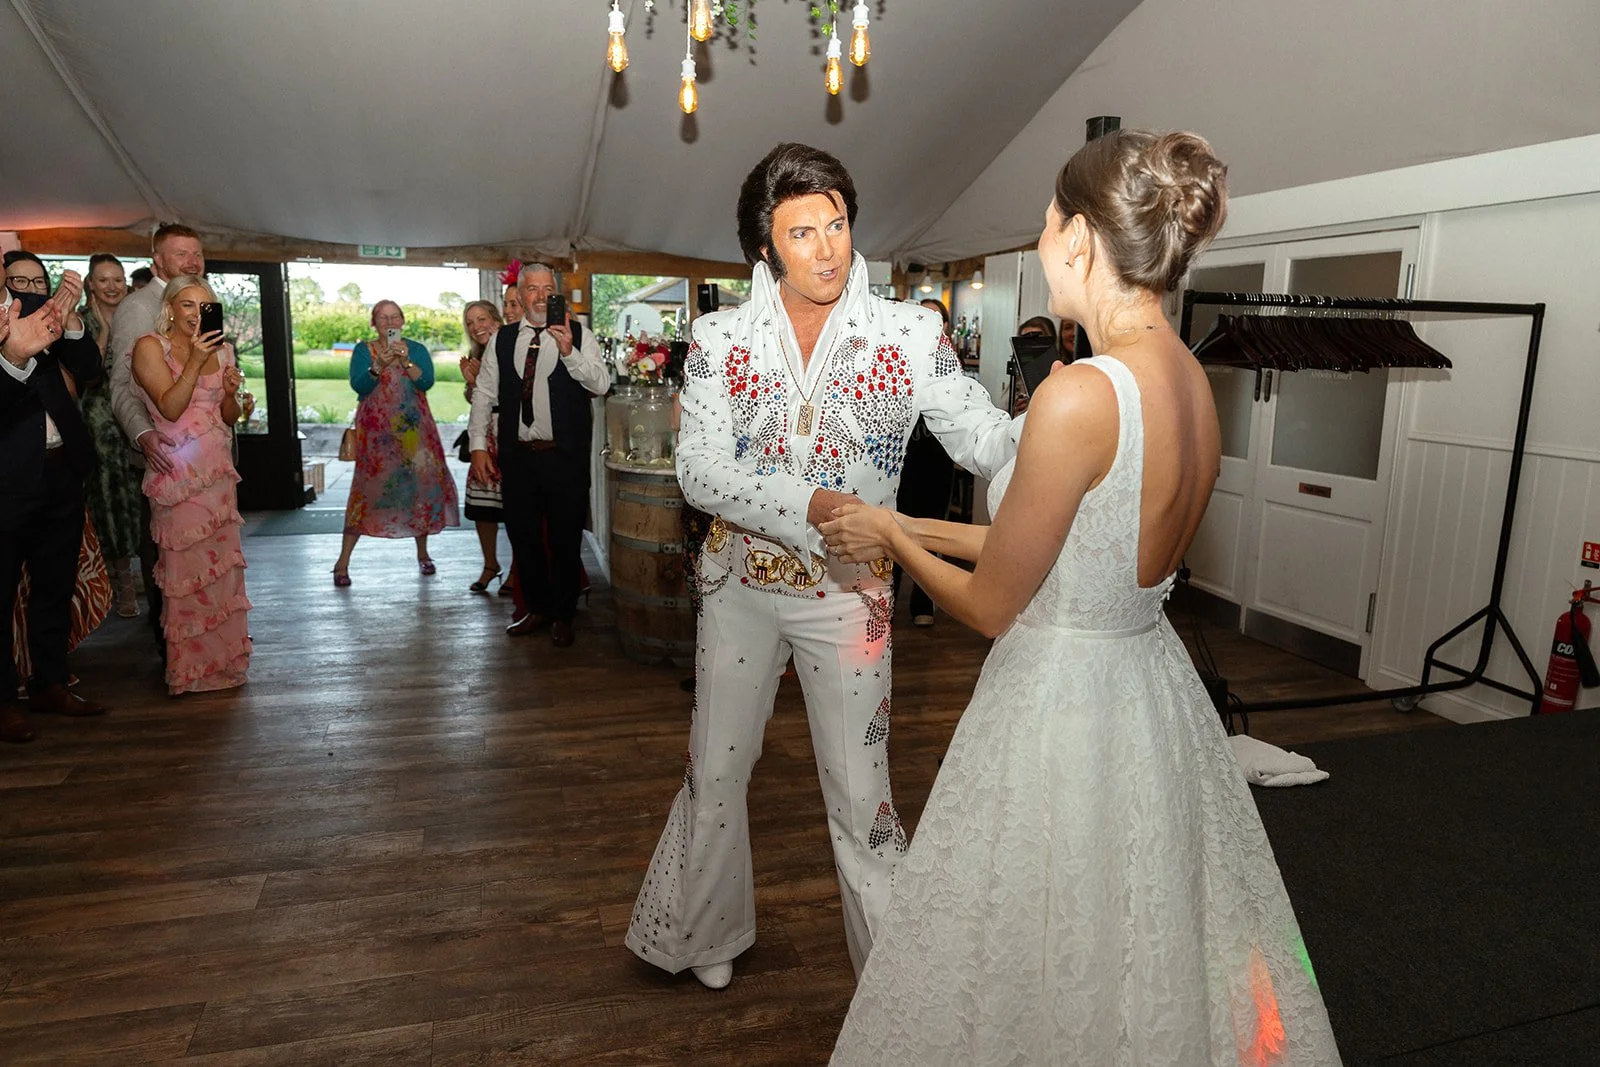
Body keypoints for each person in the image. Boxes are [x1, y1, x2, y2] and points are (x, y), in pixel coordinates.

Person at [824, 130, 1341, 1065]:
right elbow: (1052, 550)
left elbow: (991, 605)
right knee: (1136, 935)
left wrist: (895, 535)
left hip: (1060, 704)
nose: (1038, 243)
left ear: (1077, 238)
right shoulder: (1190, 381)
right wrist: (899, 520)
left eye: (1045, 222)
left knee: (1029, 934)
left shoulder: (1083, 395)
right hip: (1146, 686)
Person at [625, 143, 1020, 991]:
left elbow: (981, 433)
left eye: (837, 223)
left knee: (864, 798)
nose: (828, 247)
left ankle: (894, 988)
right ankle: (703, 932)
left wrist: (1056, 435)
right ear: (764, 249)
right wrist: (812, 507)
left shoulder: (909, 331)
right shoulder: (717, 337)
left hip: (852, 599)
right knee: (717, 772)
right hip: (737, 589)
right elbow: (699, 470)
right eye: (802, 232)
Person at [467, 265, 607, 647]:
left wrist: (570, 352)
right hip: (519, 457)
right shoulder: (503, 339)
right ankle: (538, 609)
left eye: (549, 289)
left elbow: (601, 383)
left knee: (564, 538)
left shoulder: (580, 335)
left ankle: (564, 614)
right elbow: (484, 392)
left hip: (564, 456)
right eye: (533, 289)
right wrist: (478, 444)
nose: (542, 296)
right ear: (520, 294)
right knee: (523, 536)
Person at [1, 268, 110, 742]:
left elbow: (89, 370)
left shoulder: (30, 307)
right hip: (5, 480)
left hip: (61, 470)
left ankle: (50, 682)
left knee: (55, 584)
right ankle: (3, 702)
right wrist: (10, 358)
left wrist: (68, 323)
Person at [131, 276, 251, 696]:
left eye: (205, 305)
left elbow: (229, 417)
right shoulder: (150, 347)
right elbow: (169, 405)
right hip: (178, 478)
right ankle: (190, 671)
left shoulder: (224, 349)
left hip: (217, 475)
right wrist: (198, 362)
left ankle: (225, 663)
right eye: (187, 305)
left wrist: (234, 395)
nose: (197, 313)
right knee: (188, 572)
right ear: (170, 308)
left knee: (220, 570)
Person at [109, 222, 208, 658]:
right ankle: (172, 642)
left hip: (207, 454)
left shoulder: (204, 301)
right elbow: (120, 385)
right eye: (181, 254)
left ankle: (209, 632)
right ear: (158, 262)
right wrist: (144, 434)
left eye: (197, 254)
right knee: (167, 556)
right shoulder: (139, 306)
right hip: (165, 452)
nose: (192, 261)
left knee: (206, 554)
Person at [332, 300, 460, 584]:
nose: (389, 322)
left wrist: (405, 361)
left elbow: (425, 383)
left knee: (420, 490)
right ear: (373, 323)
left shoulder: (417, 349)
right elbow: (359, 386)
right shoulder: (363, 350)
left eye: (394, 317)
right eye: (382, 317)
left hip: (415, 432)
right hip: (376, 437)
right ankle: (342, 562)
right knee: (366, 492)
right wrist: (378, 365)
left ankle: (423, 555)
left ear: (402, 321)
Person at [78, 253, 144, 617]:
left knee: (138, 496)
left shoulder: (137, 317)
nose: (112, 286)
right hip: (99, 420)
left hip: (134, 414)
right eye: (103, 279)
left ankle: (142, 573)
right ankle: (122, 583)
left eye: (117, 279)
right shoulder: (81, 320)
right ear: (91, 284)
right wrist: (104, 331)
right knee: (109, 498)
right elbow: (87, 373)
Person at [891, 297, 959, 628]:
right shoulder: (898, 360)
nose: (930, 325)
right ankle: (885, 601)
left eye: (937, 319)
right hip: (903, 463)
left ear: (945, 326)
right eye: (923, 316)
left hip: (937, 461)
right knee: (895, 528)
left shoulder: (952, 367)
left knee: (931, 528)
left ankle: (923, 603)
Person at [459, 300, 508, 592]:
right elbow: (475, 399)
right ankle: (491, 564)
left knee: (513, 507)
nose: (477, 327)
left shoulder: (510, 346)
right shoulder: (477, 353)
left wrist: (479, 381)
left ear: (496, 319)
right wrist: (471, 384)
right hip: (484, 437)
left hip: (509, 433)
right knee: (482, 507)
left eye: (482, 319)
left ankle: (517, 569)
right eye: (470, 322)